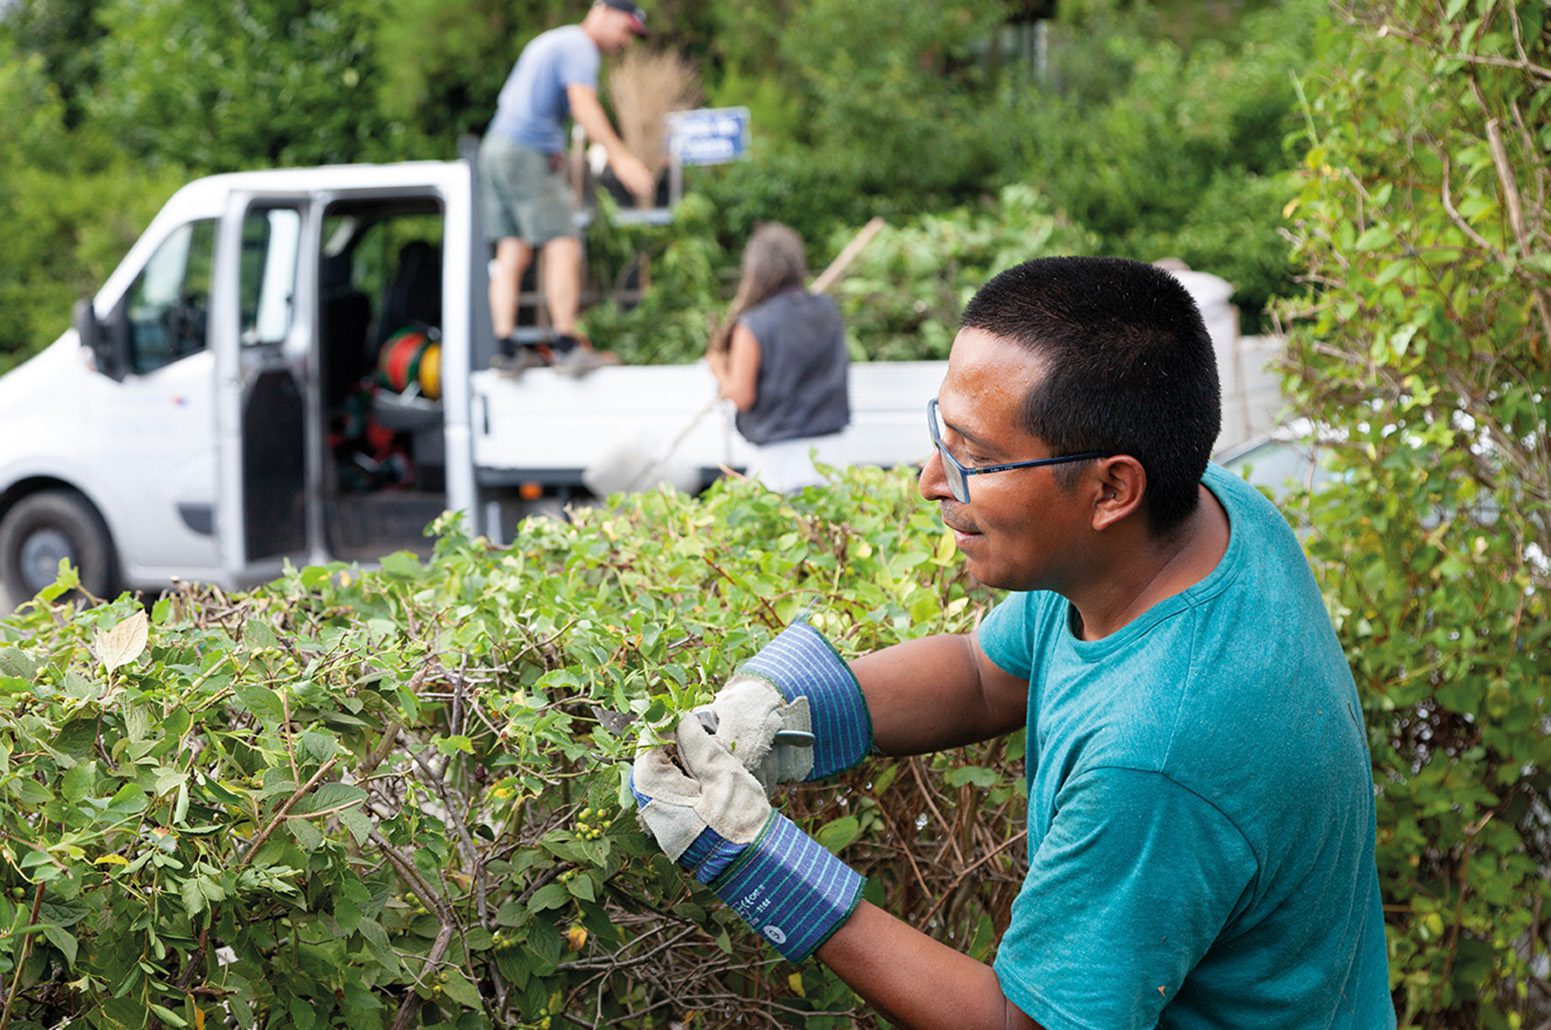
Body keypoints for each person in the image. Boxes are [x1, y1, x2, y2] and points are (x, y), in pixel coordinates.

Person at [632, 256, 1395, 1028]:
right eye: (943, 435)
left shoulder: (1158, 760)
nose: (931, 480)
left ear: (1111, 489)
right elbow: (982, 673)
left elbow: (1018, 1022)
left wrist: (761, 865)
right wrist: (784, 707)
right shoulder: (1202, 517)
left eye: (978, 459)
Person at [480, 0, 656, 363]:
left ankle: (506, 349)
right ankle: (566, 345)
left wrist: (555, 149)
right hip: (524, 151)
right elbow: (583, 104)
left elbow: (529, 105)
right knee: (564, 244)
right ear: (602, 11)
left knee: (513, 250)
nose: (625, 41)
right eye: (625, 30)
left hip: (496, 147)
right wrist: (621, 158)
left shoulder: (554, 41)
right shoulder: (580, 47)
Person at [706, 223, 850, 493]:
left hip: (781, 462)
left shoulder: (753, 324)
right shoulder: (827, 310)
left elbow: (742, 395)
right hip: (832, 456)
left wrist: (718, 367)